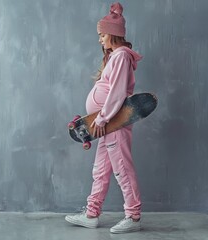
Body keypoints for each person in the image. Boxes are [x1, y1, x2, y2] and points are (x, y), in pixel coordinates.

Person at [65, 2, 143, 234]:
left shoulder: (120, 57)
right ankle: (91, 213)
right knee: (100, 169)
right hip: (105, 125)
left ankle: (134, 215)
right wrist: (98, 121)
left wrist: (101, 119)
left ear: (113, 34)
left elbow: (117, 92)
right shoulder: (115, 57)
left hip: (113, 123)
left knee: (122, 168)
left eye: (102, 35)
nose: (100, 40)